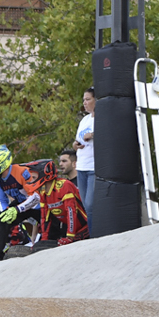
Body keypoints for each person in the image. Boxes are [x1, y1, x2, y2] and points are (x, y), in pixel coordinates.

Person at [0, 145, 45, 262]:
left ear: (0, 163)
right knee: (2, 218)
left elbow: (36, 197)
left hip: (38, 205)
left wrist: (16, 210)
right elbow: (1, 199)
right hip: (21, 205)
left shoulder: (22, 172)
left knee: (49, 225)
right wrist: (5, 211)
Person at [35, 161, 89, 246]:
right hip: (70, 230)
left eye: (34, 176)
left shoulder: (64, 185)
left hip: (84, 228)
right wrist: (44, 239)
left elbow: (71, 211)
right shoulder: (43, 192)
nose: (31, 179)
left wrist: (70, 237)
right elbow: (45, 218)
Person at [73, 88, 96, 230]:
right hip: (81, 166)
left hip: (94, 167)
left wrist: (93, 134)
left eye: (88, 99)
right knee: (84, 205)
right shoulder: (84, 120)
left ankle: (94, 235)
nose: (85, 103)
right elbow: (77, 141)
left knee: (90, 204)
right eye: (84, 100)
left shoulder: (102, 118)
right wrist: (75, 145)